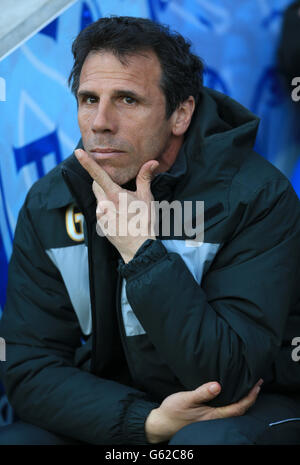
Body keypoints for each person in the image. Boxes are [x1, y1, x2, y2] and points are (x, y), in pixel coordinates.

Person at [0, 16, 300, 445]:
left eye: (127, 100)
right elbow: (28, 368)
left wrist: (141, 251)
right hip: (126, 413)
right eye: (89, 99)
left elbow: (227, 377)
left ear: (180, 114)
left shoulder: (256, 197)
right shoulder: (51, 202)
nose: (100, 122)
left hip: (247, 410)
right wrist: (147, 423)